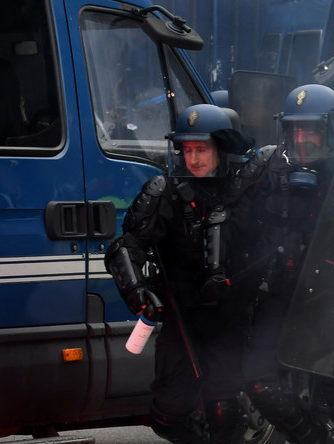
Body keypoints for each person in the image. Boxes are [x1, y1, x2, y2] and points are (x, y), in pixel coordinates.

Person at [242, 83, 334, 444]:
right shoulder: (270, 167)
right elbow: (235, 219)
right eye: (294, 130)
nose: (302, 140)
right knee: (261, 384)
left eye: (311, 130)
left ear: (333, 128)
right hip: (281, 298)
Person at [104, 103, 260, 444]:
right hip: (182, 318)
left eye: (201, 150)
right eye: (187, 150)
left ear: (221, 149)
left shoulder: (247, 193)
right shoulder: (165, 193)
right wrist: (138, 291)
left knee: (223, 408)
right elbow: (126, 246)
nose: (194, 159)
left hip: (229, 319)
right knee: (167, 414)